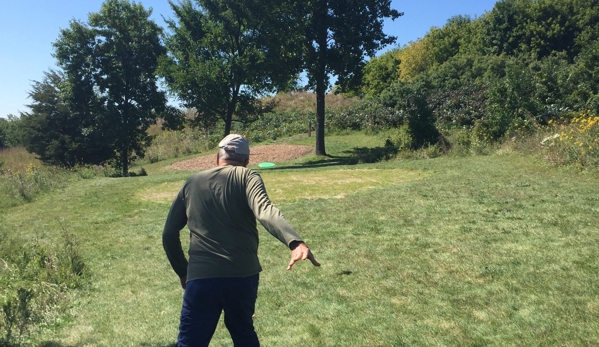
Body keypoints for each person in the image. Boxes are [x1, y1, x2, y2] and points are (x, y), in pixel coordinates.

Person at [162, 134, 320, 347]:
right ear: (246, 161)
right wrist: (295, 242)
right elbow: (265, 211)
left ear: (217, 158)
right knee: (243, 334)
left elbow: (169, 233)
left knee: (191, 341)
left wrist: (183, 271)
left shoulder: (193, 182)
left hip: (201, 278)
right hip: (242, 276)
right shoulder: (247, 177)